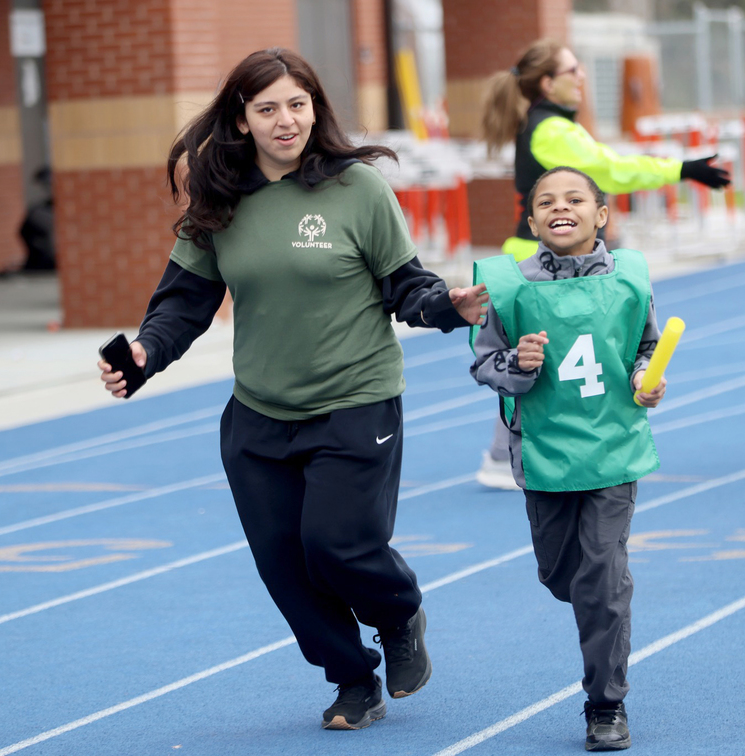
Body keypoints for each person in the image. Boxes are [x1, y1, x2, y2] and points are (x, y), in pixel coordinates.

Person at [97, 48, 488, 731]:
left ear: (316, 107)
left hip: (356, 401)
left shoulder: (358, 189)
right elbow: (183, 304)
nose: (287, 120)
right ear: (242, 120)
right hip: (258, 417)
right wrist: (142, 355)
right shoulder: (220, 200)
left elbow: (407, 285)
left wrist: (447, 306)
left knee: (337, 545)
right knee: (284, 566)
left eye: (297, 104)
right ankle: (352, 680)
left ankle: (398, 613)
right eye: (268, 108)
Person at [470, 166, 668, 751]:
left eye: (576, 198)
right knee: (563, 576)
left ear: (601, 214)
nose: (562, 208)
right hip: (544, 455)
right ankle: (587, 595)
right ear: (531, 222)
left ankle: (605, 704)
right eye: (547, 202)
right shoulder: (507, 287)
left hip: (613, 450)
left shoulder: (632, 278)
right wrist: (518, 365)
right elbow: (485, 364)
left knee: (603, 577)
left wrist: (645, 379)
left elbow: (646, 347)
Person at [475, 38, 729, 490]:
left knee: (549, 363)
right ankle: (519, 452)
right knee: (550, 364)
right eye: (574, 70)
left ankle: (505, 452)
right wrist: (680, 169)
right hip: (542, 267)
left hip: (532, 258)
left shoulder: (550, 124)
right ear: (549, 82)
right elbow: (608, 170)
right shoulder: (552, 129)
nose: (583, 77)